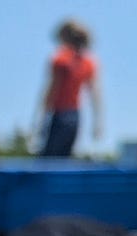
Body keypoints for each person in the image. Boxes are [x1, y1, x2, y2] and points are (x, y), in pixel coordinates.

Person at [36, 19, 102, 157]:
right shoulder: (89, 62)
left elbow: (51, 91)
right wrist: (97, 122)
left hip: (58, 115)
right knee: (64, 158)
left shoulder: (61, 60)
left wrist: (41, 120)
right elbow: (95, 96)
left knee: (49, 160)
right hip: (75, 117)